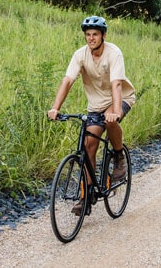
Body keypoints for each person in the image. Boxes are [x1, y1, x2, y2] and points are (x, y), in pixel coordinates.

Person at [47, 16, 136, 214]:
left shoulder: (114, 53)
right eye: (88, 35)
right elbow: (68, 80)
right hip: (96, 104)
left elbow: (117, 84)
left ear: (103, 35)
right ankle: (86, 196)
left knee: (111, 120)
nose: (91, 38)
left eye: (95, 34)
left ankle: (119, 156)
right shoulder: (80, 55)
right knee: (88, 147)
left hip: (121, 97)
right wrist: (55, 108)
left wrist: (116, 111)